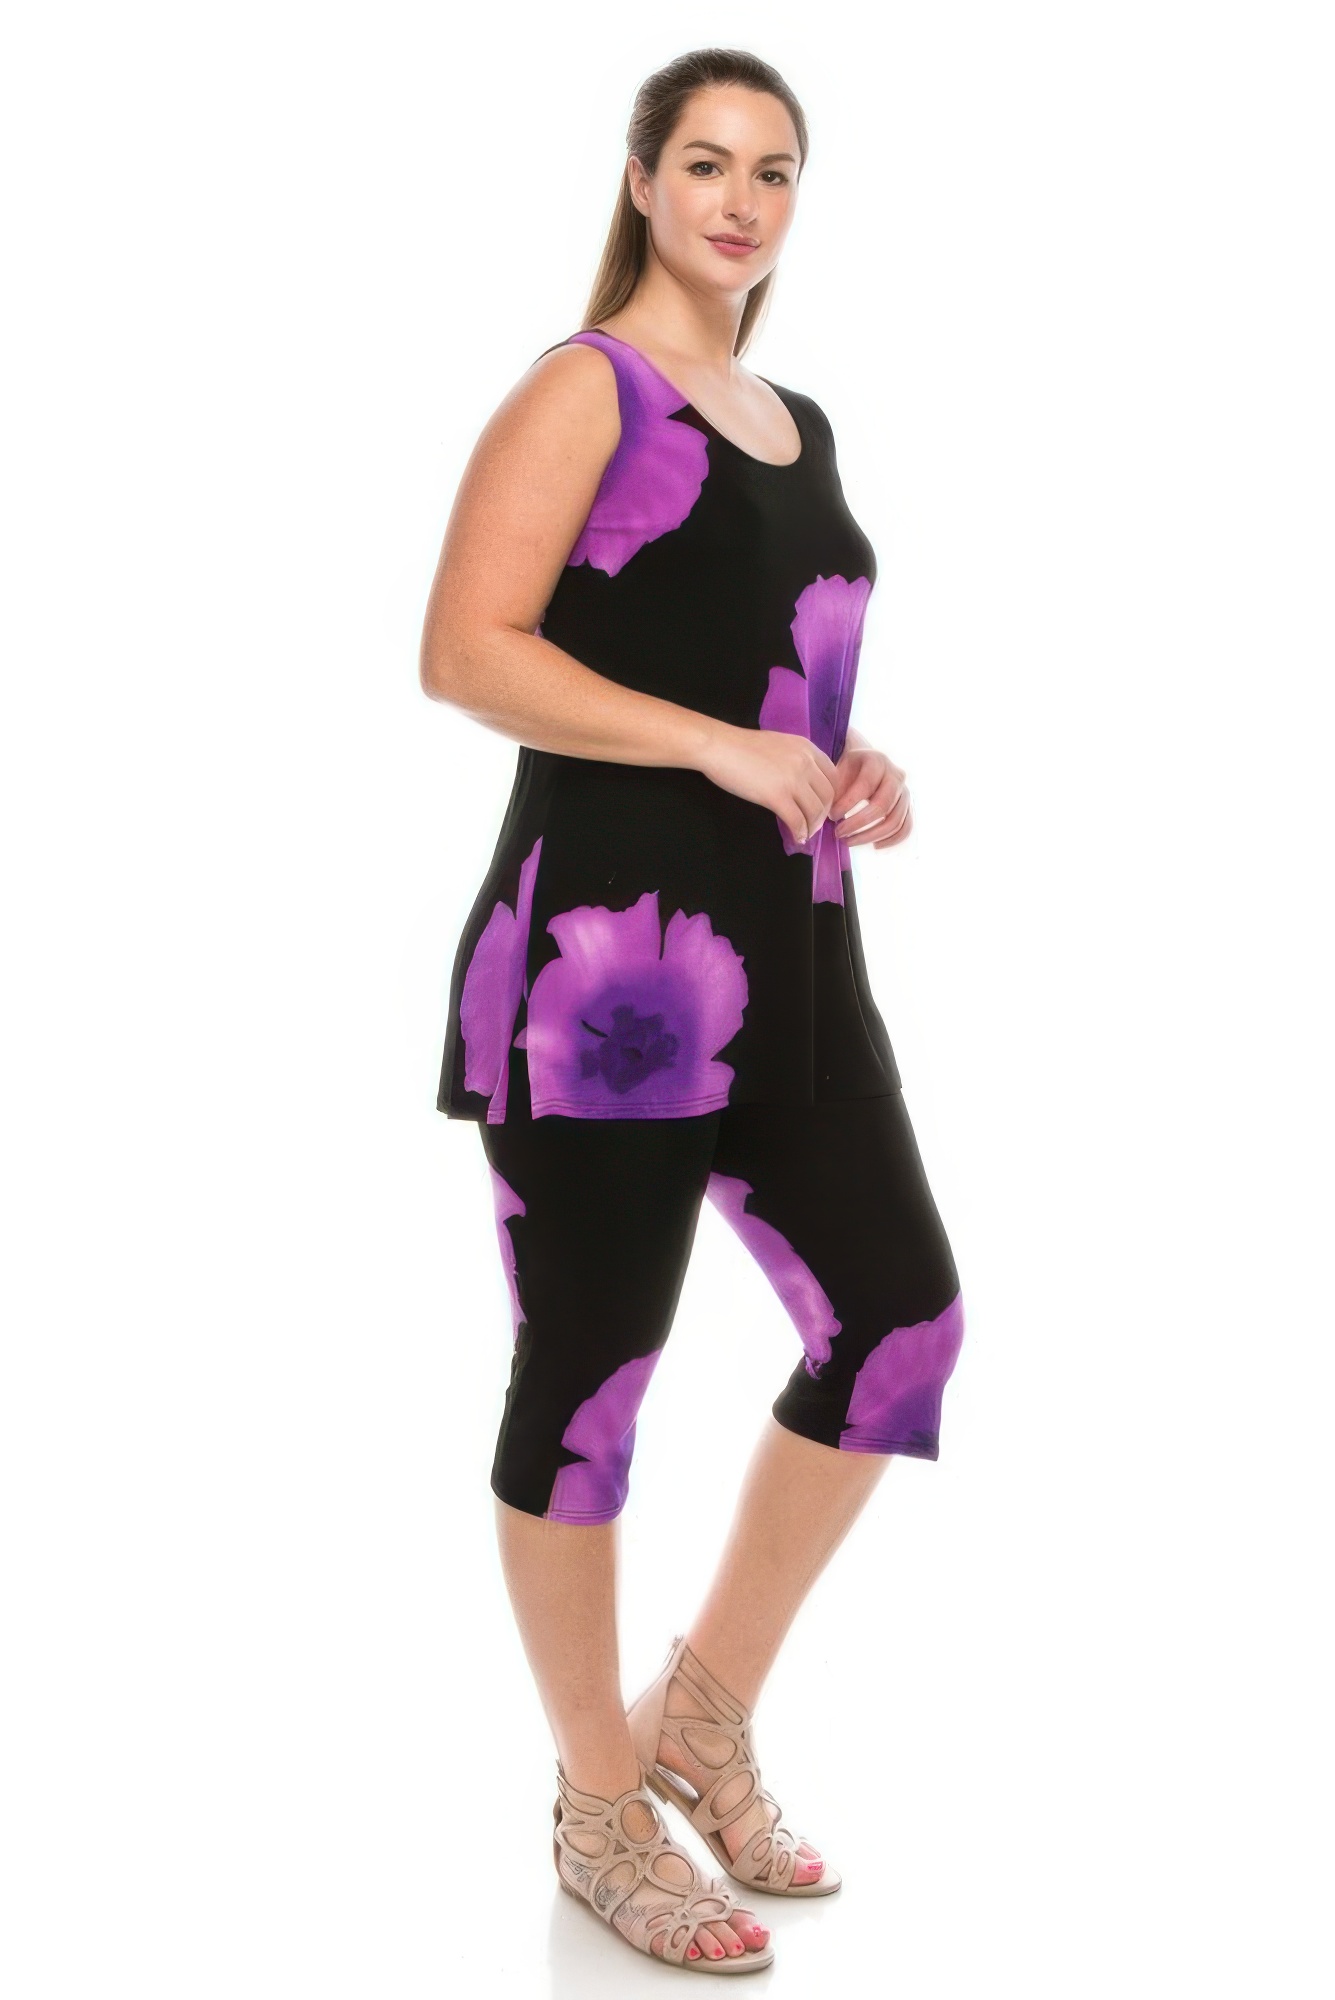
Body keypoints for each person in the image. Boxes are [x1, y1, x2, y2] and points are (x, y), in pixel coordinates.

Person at [419, 46, 965, 1976]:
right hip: (602, 974)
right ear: (643, 180)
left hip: (795, 949)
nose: (742, 201)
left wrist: (841, 760)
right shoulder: (588, 387)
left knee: (900, 1319)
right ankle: (597, 1803)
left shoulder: (799, 421)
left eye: (776, 171)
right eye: (709, 163)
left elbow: (762, 671)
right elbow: (465, 649)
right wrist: (718, 750)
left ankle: (699, 1719)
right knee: (588, 1386)